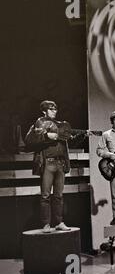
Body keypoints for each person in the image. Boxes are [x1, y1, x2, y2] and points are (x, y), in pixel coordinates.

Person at [24, 100, 72, 233]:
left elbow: (67, 143)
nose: (54, 111)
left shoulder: (61, 125)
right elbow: (29, 141)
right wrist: (46, 135)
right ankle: (46, 224)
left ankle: (59, 222)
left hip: (60, 163)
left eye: (55, 109)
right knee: (45, 195)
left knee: (59, 196)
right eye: (51, 109)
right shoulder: (39, 123)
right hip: (48, 163)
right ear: (44, 111)